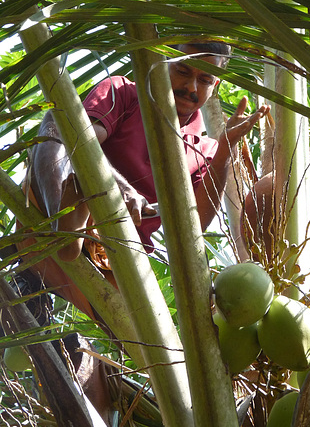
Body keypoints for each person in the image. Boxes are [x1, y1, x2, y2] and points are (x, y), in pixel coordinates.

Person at [21, 41, 270, 310]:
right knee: (58, 122)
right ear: (163, 62)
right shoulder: (123, 93)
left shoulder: (207, 150)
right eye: (183, 71)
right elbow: (83, 142)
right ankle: (68, 232)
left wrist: (226, 149)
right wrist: (118, 187)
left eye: (205, 79)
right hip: (62, 210)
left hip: (117, 256)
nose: (191, 88)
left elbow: (194, 224)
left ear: (216, 84)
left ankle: (72, 233)